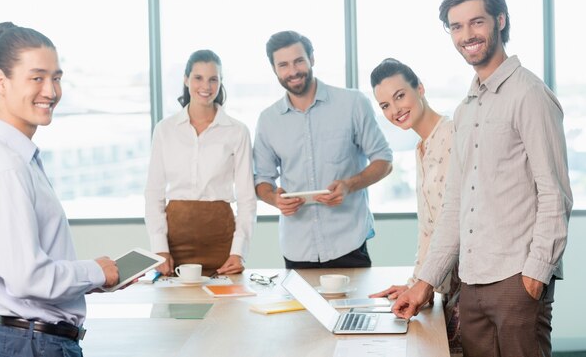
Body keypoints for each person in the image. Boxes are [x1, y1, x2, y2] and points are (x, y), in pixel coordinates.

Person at [392, 0, 573, 357]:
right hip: (471, 284)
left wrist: (536, 275)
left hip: (516, 281)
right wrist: (425, 282)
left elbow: (555, 194)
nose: (466, 35)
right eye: (456, 27)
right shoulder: (466, 109)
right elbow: (454, 207)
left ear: (500, 21)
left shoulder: (529, 95)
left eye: (476, 22)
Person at [0, 22, 119, 357]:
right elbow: (27, 277)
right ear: (1, 81)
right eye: (37, 77)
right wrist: (94, 270)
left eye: (56, 78)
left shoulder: (16, 158)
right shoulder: (7, 166)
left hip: (30, 340)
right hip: (32, 343)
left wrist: (89, 281)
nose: (51, 91)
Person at [253, 30, 393, 269]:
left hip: (349, 241)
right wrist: (275, 199)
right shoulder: (268, 120)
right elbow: (262, 180)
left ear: (312, 59)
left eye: (298, 60)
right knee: (300, 309)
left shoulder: (353, 104)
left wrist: (349, 185)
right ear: (274, 69)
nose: (293, 71)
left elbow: (384, 160)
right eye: (283, 64)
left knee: (352, 308)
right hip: (297, 248)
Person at [368, 58, 462, 355]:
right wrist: (415, 284)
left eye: (400, 96)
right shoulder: (421, 147)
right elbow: (427, 229)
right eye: (384, 105)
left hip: (467, 281)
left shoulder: (452, 134)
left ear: (420, 88)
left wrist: (424, 284)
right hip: (444, 282)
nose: (394, 110)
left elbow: (454, 221)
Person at [144, 49, 256, 277]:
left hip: (222, 244)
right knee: (174, 310)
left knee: (226, 311)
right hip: (174, 243)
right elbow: (154, 192)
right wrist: (159, 249)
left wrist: (239, 251)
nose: (206, 86)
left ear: (220, 82)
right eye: (198, 78)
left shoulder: (237, 131)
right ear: (186, 80)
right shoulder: (165, 130)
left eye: (213, 79)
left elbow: (247, 198)